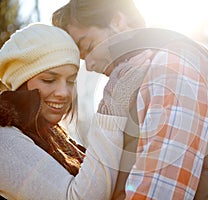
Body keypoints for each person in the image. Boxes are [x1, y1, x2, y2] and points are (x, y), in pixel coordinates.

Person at [52, 0, 208, 199]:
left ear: (118, 21)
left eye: (89, 46)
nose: (89, 65)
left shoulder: (173, 63)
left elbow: (161, 190)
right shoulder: (131, 85)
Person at [0, 23, 128, 200]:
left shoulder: (54, 136)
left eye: (70, 81)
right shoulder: (4, 140)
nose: (64, 93)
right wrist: (112, 111)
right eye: (49, 79)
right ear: (21, 81)